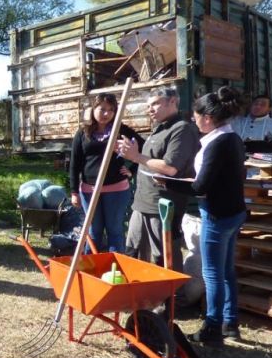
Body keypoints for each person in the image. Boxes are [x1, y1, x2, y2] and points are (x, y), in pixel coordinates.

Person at [158, 88, 246, 343]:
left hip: (218, 215)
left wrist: (167, 183)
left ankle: (213, 327)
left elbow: (200, 187)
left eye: (196, 117)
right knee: (226, 270)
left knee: (212, 274)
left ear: (207, 117)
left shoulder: (218, 143)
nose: (194, 121)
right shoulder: (232, 137)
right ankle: (231, 323)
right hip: (233, 212)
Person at [117, 87, 200, 270]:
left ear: (172, 101)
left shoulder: (182, 129)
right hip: (142, 203)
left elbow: (170, 168)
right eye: (148, 105)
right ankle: (140, 294)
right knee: (133, 251)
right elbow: (149, 163)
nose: (150, 109)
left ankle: (174, 298)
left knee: (163, 257)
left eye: (155, 103)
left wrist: (136, 157)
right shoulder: (159, 128)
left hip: (163, 206)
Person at [70, 94, 143, 252]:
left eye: (111, 110)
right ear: (93, 109)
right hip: (89, 190)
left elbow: (143, 147)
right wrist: (74, 191)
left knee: (114, 231)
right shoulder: (83, 133)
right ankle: (91, 269)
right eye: (102, 109)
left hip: (116, 189)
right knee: (93, 232)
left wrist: (131, 169)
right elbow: (75, 164)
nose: (106, 114)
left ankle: (115, 271)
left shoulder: (121, 130)